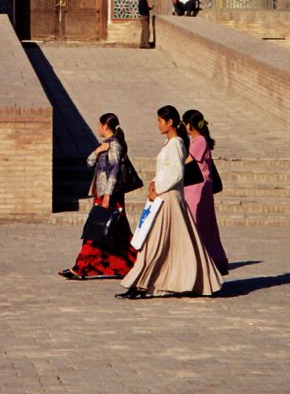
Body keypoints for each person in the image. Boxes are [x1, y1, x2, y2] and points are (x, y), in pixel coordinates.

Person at [116, 105, 223, 299]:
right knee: (166, 243)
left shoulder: (176, 144)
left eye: (159, 120)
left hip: (169, 199)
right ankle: (142, 283)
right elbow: (166, 171)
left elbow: (176, 173)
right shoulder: (171, 143)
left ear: (170, 122)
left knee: (157, 243)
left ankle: (142, 284)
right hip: (164, 197)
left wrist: (158, 189)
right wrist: (154, 183)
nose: (157, 124)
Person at [59, 112, 137, 280]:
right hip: (101, 195)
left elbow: (115, 171)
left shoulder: (115, 145)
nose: (98, 128)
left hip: (110, 197)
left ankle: (80, 268)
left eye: (99, 125)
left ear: (105, 126)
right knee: (117, 234)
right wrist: (98, 150)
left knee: (95, 231)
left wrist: (108, 194)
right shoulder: (105, 145)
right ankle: (134, 266)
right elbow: (89, 162)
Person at [182, 109, 229, 275]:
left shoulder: (199, 140)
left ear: (189, 125)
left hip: (198, 189)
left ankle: (204, 261)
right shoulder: (198, 140)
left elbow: (189, 161)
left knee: (198, 225)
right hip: (195, 188)